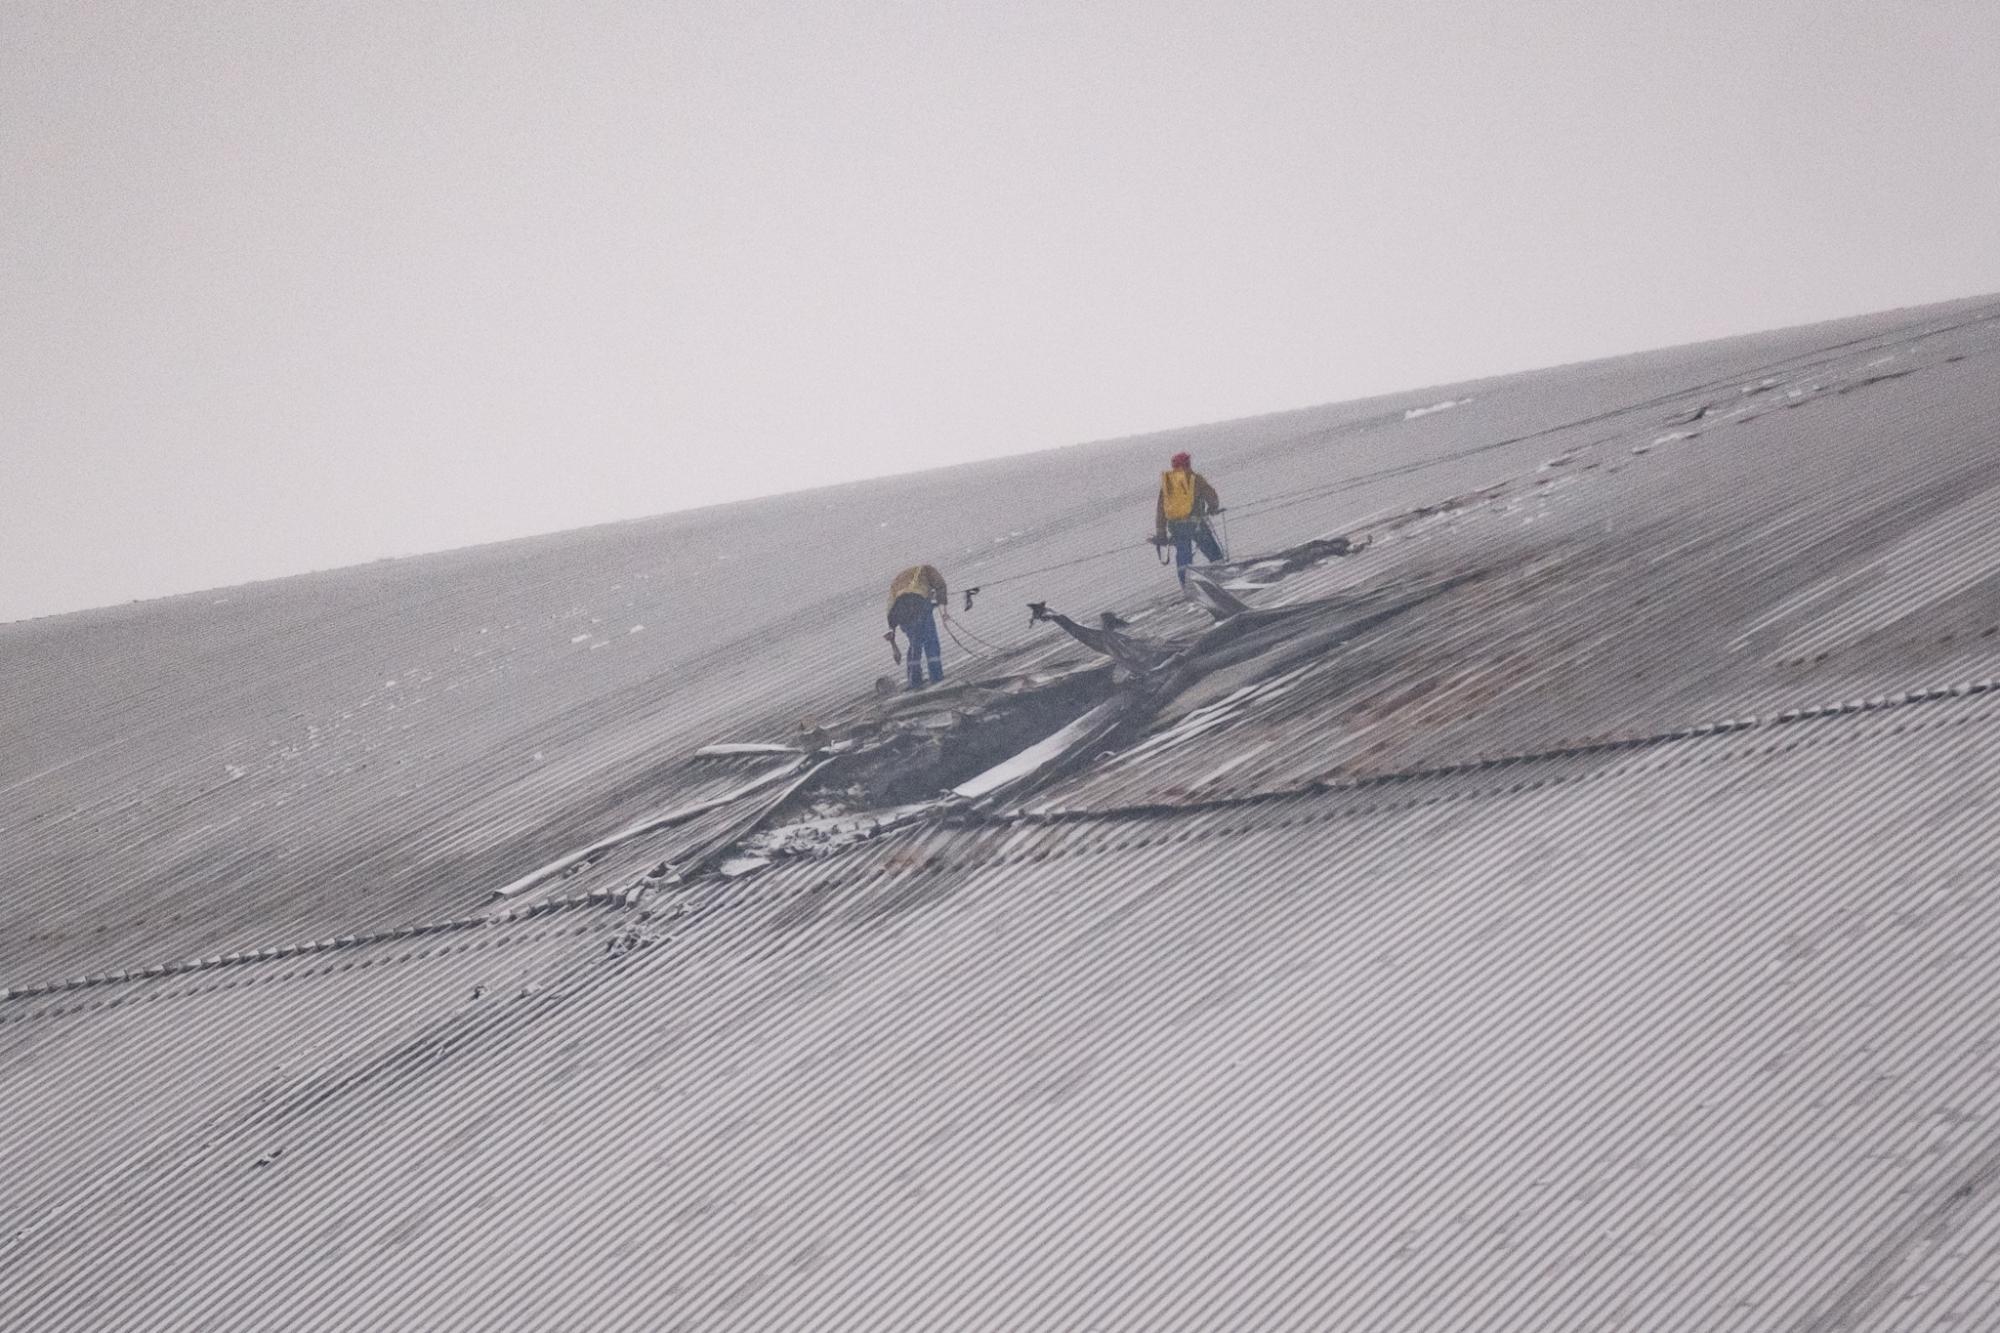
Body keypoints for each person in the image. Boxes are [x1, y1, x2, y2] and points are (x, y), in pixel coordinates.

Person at [1154, 451, 1224, 584]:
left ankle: (1187, 584)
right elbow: (1211, 496)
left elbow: (1161, 510)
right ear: (1187, 463)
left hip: (1176, 527)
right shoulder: (1195, 478)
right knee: (1213, 552)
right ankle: (1222, 575)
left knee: (1183, 557)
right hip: (1196, 524)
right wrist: (1213, 508)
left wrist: (1161, 532)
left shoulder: (1168, 484)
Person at [885, 564, 948, 690]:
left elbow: (890, 606)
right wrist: (943, 610)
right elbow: (941, 586)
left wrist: (892, 631)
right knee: (931, 641)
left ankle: (914, 681)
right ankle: (936, 677)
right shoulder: (928, 570)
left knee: (915, 643)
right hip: (918, 604)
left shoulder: (898, 580)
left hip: (899, 612)